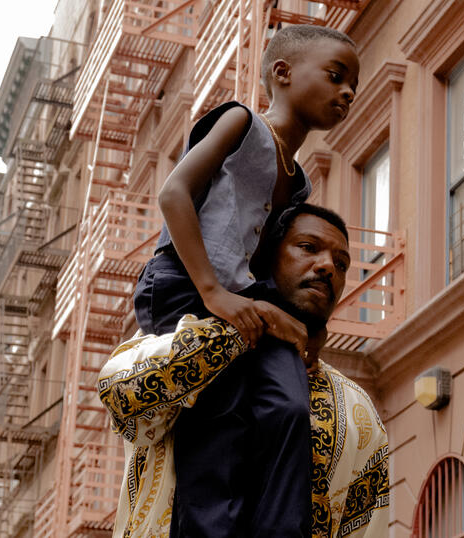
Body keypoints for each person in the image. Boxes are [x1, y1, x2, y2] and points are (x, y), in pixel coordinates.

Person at [131, 24, 360, 537]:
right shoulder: (241, 122)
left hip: (242, 294)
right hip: (185, 282)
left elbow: (265, 266)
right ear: (282, 73)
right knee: (224, 410)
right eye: (336, 76)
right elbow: (173, 195)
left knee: (290, 405)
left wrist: (301, 324)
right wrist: (213, 293)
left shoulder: (298, 181)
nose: (347, 92)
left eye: (354, 86)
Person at [100, 205, 389, 537]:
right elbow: (120, 395)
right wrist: (251, 324)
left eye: (341, 264)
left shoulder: (358, 412)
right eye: (308, 248)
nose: (327, 267)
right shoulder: (183, 338)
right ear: (265, 256)